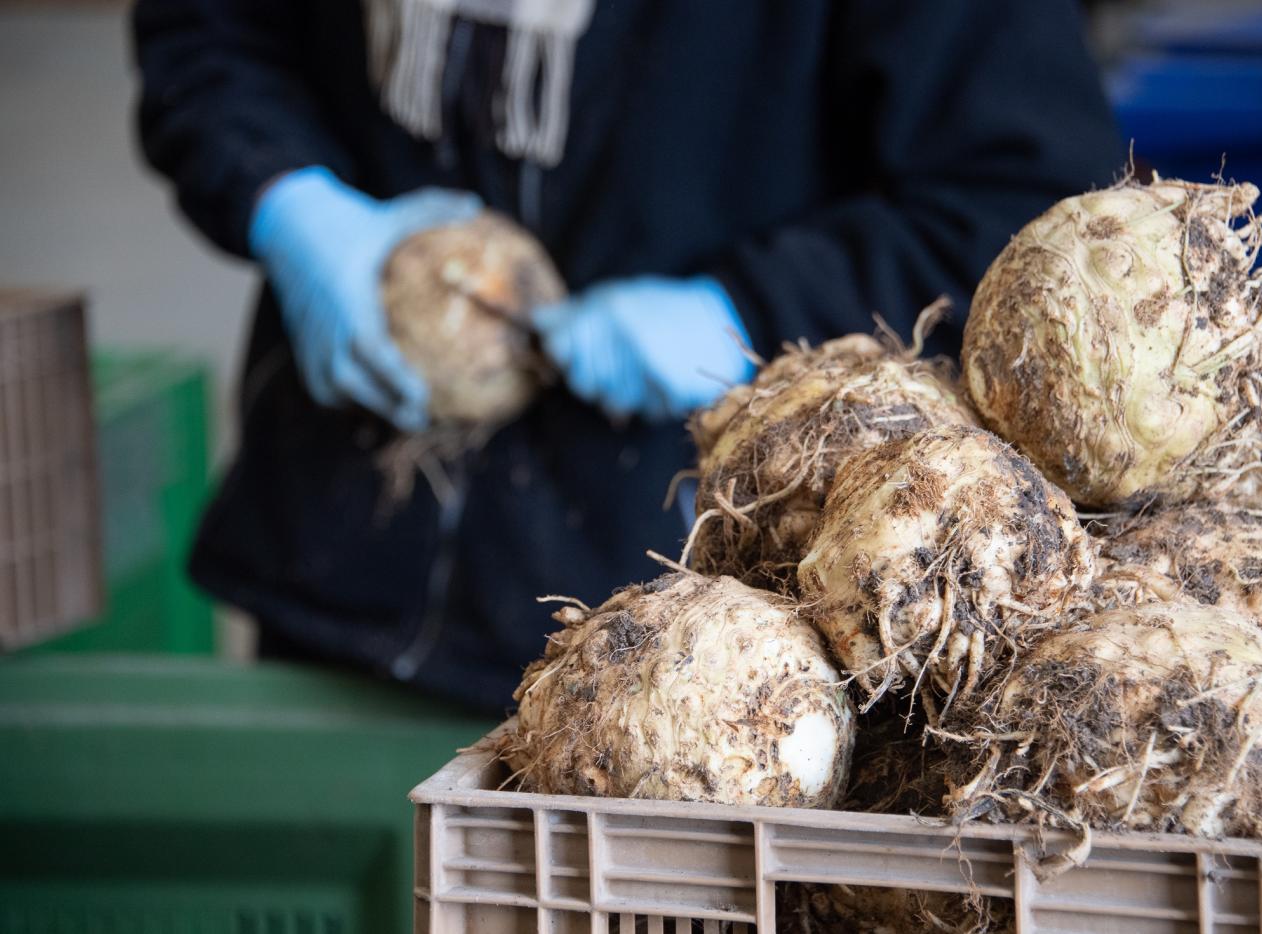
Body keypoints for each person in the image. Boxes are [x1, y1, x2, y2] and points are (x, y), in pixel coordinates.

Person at [132, 0, 1122, 715]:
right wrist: (290, 201)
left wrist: (746, 309)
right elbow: (207, 29)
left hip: (687, 622)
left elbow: (1013, 192)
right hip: (338, 542)